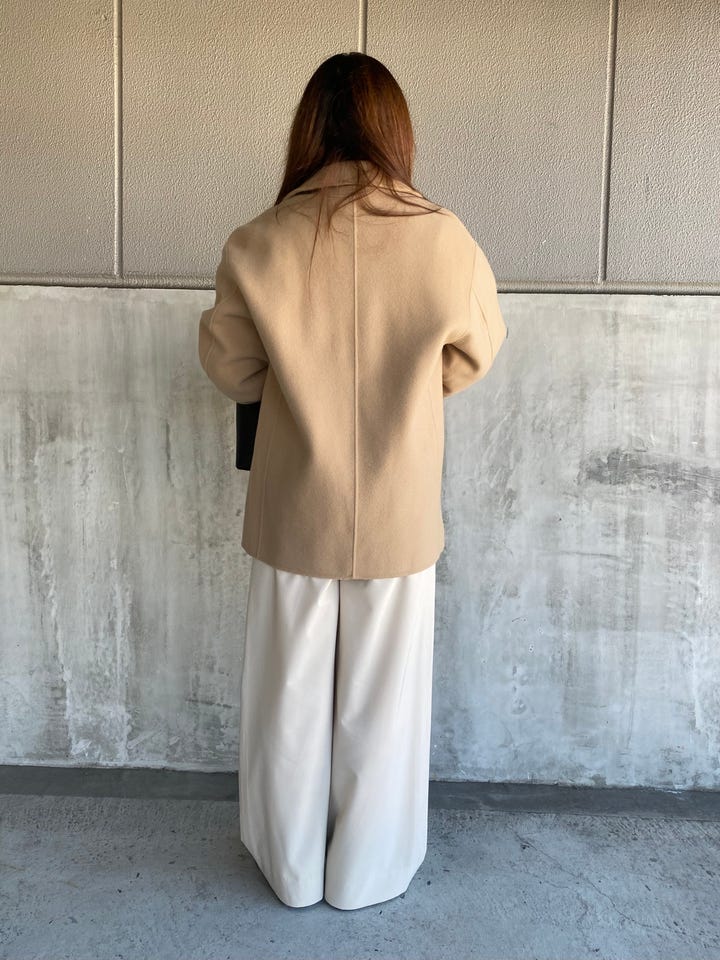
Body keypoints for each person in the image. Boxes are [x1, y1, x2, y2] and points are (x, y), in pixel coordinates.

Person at [198, 51, 507, 911]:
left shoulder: (260, 240)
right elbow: (475, 352)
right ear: (394, 129)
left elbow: (231, 366)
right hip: (397, 507)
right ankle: (365, 873)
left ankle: (292, 871)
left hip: (296, 506)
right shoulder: (444, 237)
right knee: (385, 699)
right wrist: (408, 385)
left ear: (307, 129)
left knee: (287, 695)